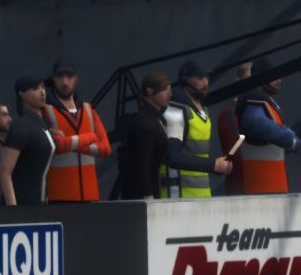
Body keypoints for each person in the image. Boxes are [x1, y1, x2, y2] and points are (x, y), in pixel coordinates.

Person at [43, 60, 113, 203]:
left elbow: (105, 149)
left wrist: (72, 142)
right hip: (59, 194)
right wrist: (91, 137)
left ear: (75, 79)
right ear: (53, 79)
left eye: (69, 76)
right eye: (60, 76)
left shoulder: (87, 109)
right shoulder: (46, 110)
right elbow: (59, 146)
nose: (64, 82)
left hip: (89, 192)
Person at [161, 60, 232, 198]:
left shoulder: (202, 111)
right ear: (186, 81)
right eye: (200, 78)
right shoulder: (175, 111)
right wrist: (213, 165)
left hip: (200, 194)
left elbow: (198, 155)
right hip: (178, 195)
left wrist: (217, 167)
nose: (205, 82)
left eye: (206, 77)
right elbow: (172, 157)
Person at [236, 60, 299, 194]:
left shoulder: (265, 102)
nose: (279, 80)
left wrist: (288, 135)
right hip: (261, 185)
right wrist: (290, 140)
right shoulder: (253, 99)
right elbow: (255, 122)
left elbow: (279, 126)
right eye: (273, 76)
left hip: (272, 184)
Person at [1, 73, 57, 206]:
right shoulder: (22, 126)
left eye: (43, 87)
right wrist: (13, 208)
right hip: (23, 203)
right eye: (35, 88)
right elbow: (4, 171)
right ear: (22, 94)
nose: (42, 92)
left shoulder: (42, 125)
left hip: (39, 202)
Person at [116, 72, 173, 200]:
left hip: (150, 189)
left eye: (170, 90)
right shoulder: (145, 123)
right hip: (141, 194)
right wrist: (148, 194)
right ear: (150, 92)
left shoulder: (155, 120)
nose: (169, 94)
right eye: (164, 90)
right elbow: (143, 162)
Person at [215, 62, 251, 195]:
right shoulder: (230, 111)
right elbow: (233, 150)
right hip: (240, 185)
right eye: (249, 79)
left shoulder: (252, 109)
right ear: (239, 81)